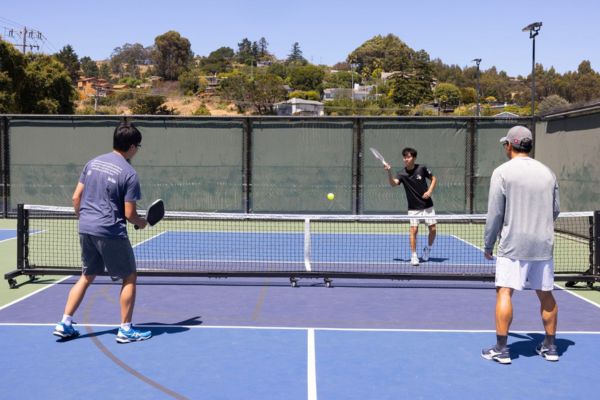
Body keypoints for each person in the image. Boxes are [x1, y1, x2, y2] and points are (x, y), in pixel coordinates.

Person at [53, 121, 152, 344]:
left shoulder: (92, 163)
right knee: (129, 277)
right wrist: (142, 222)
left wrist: (84, 218)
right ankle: (125, 329)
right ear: (132, 146)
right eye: (138, 146)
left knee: (86, 276)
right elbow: (129, 214)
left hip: (86, 228)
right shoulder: (129, 173)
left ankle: (65, 322)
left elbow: (75, 198)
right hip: (110, 231)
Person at [481, 125, 560, 364]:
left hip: (513, 245)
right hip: (543, 244)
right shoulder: (548, 172)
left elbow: (495, 213)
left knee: (504, 291)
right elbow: (555, 210)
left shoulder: (502, 172)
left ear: (509, 145)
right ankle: (551, 347)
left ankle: (502, 349)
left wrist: (488, 244)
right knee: (546, 295)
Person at [384, 147, 437, 266]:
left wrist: (429, 191)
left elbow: (433, 179)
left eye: (408, 157)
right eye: (404, 157)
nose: (406, 159)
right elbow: (393, 184)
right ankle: (414, 256)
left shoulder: (422, 168)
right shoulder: (401, 173)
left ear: (414, 158)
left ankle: (427, 249)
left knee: (433, 230)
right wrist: (389, 172)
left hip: (427, 205)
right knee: (414, 230)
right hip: (413, 208)